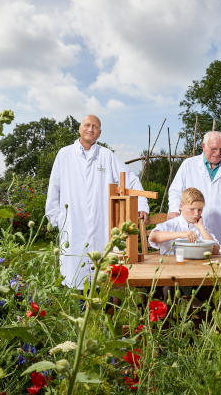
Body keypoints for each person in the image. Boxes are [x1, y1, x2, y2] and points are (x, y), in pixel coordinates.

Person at [46, 114, 149, 288]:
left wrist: (141, 205)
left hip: (100, 223)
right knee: (72, 273)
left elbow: (131, 180)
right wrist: (56, 219)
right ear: (80, 128)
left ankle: (97, 308)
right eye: (87, 125)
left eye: (95, 127)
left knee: (100, 276)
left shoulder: (107, 156)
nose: (90, 129)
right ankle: (76, 303)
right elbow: (54, 189)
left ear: (99, 133)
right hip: (72, 223)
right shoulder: (64, 154)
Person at [167, 131, 221, 241]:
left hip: (220, 226)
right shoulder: (188, 164)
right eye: (214, 149)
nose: (218, 153)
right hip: (192, 227)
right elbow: (175, 191)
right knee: (192, 252)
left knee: (217, 253)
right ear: (203, 146)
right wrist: (173, 210)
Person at [149, 187, 219, 305]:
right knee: (170, 289)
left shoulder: (199, 227)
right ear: (181, 207)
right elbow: (153, 237)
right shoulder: (171, 224)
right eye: (192, 209)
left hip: (195, 274)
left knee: (213, 287)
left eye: (200, 210)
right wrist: (182, 234)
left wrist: (201, 228)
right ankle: (168, 320)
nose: (196, 214)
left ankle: (205, 320)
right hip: (170, 274)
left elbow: (215, 250)